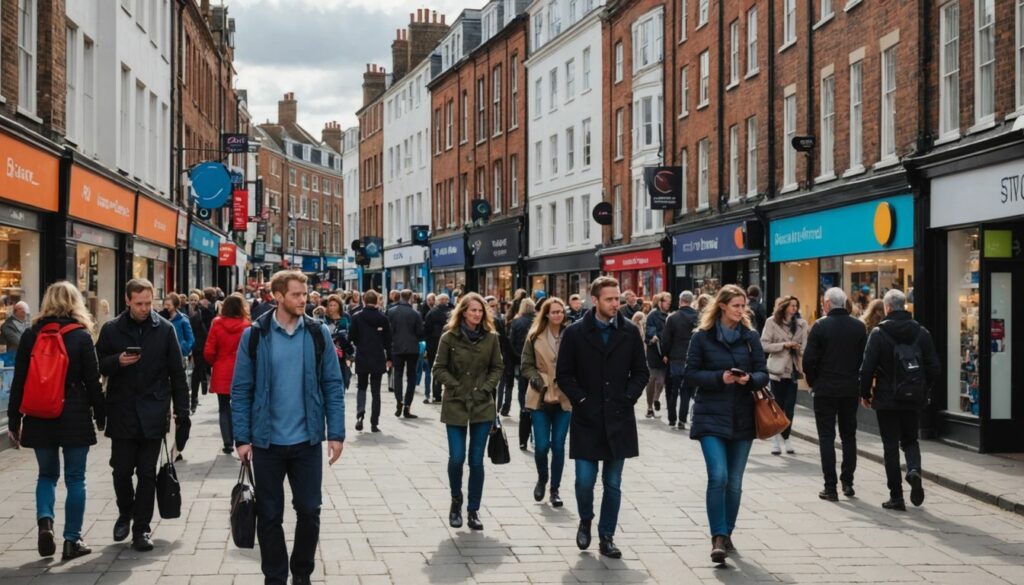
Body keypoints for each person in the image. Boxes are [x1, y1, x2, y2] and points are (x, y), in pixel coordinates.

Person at [231, 270, 345, 585]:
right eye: (296, 294)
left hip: (307, 441)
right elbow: (241, 389)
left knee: (309, 511)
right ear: (278, 296)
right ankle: (276, 575)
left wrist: (335, 433)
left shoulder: (317, 333)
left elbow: (333, 385)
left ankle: (302, 572)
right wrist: (242, 437)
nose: (302, 299)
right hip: (266, 443)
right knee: (269, 516)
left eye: (304, 294)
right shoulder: (255, 335)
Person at [6, 282, 104, 560]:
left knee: (46, 475)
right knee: (76, 479)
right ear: (76, 302)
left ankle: (45, 522)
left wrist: (14, 419)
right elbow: (93, 381)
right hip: (74, 414)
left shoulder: (31, 335)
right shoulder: (81, 336)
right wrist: (101, 415)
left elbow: (20, 381)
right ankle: (72, 540)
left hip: (39, 415)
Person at [556, 277, 648, 559]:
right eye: (608, 299)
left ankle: (606, 536)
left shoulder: (630, 332)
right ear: (594, 300)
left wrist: (628, 397)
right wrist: (581, 400)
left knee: (613, 482)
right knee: (584, 480)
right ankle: (586, 518)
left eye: (617, 298)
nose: (615, 303)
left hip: (618, 417)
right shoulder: (574, 333)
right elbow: (564, 375)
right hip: (587, 417)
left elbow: (641, 372)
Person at [96, 279, 190, 552]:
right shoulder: (112, 329)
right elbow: (97, 364)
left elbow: (177, 373)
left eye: (149, 303)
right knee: (121, 470)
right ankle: (125, 512)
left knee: (147, 473)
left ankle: (141, 529)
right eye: (139, 304)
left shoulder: (165, 329)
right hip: (122, 411)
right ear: (127, 301)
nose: (145, 308)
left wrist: (182, 411)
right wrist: (117, 362)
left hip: (153, 411)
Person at [684, 284, 768, 565]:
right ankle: (717, 536)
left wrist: (749, 379)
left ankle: (728, 532)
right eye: (736, 306)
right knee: (718, 476)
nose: (742, 310)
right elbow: (691, 374)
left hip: (743, 415)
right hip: (710, 415)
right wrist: (720, 378)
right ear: (722, 306)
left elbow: (763, 374)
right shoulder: (702, 337)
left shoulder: (750, 337)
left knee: (734, 482)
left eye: (744, 306)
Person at [859, 289, 940, 511]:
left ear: (887, 307)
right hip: (913, 398)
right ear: (905, 306)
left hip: (886, 399)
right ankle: (913, 469)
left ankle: (896, 496)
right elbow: (934, 368)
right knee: (911, 440)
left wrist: (864, 394)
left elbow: (867, 368)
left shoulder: (878, 333)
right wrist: (924, 389)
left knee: (890, 445)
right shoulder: (922, 333)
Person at [432, 293, 503, 531]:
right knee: (457, 457)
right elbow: (438, 368)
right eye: (472, 310)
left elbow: (498, 367)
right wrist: (454, 385)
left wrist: (486, 388)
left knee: (476, 460)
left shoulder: (491, 338)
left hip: (482, 404)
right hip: (456, 403)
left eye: (480, 310)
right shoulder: (449, 337)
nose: (477, 314)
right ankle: (455, 501)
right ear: (462, 312)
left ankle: (473, 510)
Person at [802, 287, 866, 501]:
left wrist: (813, 383)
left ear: (828, 303)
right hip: (849, 389)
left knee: (826, 437)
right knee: (849, 436)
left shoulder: (820, 326)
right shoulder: (859, 327)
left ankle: (830, 487)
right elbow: (863, 360)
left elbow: (808, 360)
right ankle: (848, 482)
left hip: (825, 389)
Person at [520, 297, 571, 508]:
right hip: (541, 396)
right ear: (546, 314)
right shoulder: (534, 336)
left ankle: (554, 490)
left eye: (561, 311)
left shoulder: (572, 335)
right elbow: (526, 364)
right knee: (541, 446)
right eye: (554, 311)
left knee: (558, 446)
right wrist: (535, 377)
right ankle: (542, 478)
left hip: (564, 396)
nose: (558, 315)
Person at [759, 296, 809, 456]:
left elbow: (805, 349)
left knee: (790, 408)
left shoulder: (801, 324)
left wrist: (798, 347)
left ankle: (786, 438)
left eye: (796, 305)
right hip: (777, 371)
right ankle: (776, 440)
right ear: (784, 307)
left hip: (793, 371)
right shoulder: (771, 322)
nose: (794, 308)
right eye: (791, 305)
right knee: (777, 408)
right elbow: (763, 345)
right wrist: (784, 345)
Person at [203, 293, 250, 455]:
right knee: (241, 406)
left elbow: (209, 351)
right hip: (242, 371)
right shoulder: (247, 326)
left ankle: (228, 443)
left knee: (224, 408)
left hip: (222, 369)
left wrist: (216, 362)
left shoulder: (216, 324)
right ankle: (241, 439)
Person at [349, 290, 393, 432]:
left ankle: (360, 414)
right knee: (376, 391)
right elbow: (388, 340)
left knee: (361, 387)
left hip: (362, 355)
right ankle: (374, 422)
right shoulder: (382, 318)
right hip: (378, 356)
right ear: (377, 301)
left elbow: (352, 336)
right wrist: (390, 357)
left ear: (363, 300)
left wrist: (359, 344)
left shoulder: (356, 317)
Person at [662, 291, 699, 429]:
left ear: (680, 300)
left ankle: (672, 418)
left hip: (675, 357)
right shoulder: (698, 317)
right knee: (686, 391)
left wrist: (665, 354)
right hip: (692, 359)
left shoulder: (673, 317)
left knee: (673, 389)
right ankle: (682, 420)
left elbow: (666, 339)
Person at [387, 289, 424, 418]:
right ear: (411, 298)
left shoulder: (391, 312)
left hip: (396, 347)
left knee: (398, 375)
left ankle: (399, 401)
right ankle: (407, 406)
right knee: (411, 376)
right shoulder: (415, 313)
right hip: (412, 348)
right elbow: (420, 332)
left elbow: (388, 331)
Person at [509, 298, 537, 450]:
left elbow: (511, 342)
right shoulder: (538, 321)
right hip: (537, 364)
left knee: (523, 396)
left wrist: (518, 358)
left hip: (521, 362)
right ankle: (533, 434)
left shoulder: (516, 322)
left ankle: (523, 438)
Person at [486, 295, 516, 416]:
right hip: (485, 360)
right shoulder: (490, 320)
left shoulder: (498, 320)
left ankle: (495, 410)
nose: (495, 308)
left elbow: (504, 341)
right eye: (492, 306)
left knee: (498, 385)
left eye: (496, 306)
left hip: (498, 357)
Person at [644, 292, 671, 419]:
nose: (669, 304)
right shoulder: (652, 315)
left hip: (665, 352)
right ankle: (649, 407)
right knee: (652, 380)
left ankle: (656, 399)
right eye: (666, 301)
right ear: (660, 302)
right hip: (654, 351)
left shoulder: (669, 316)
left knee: (661, 380)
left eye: (669, 302)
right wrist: (653, 336)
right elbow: (649, 329)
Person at [424, 294, 452, 403]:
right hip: (451, 344)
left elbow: (426, 330)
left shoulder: (432, 313)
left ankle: (436, 394)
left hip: (434, 345)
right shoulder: (452, 312)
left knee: (436, 369)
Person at [162, 294, 194, 363]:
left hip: (179, 354)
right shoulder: (162, 318)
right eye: (165, 304)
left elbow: (190, 338)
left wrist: (184, 349)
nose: (166, 307)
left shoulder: (183, 319)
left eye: (169, 305)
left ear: (175, 305)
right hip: (164, 355)